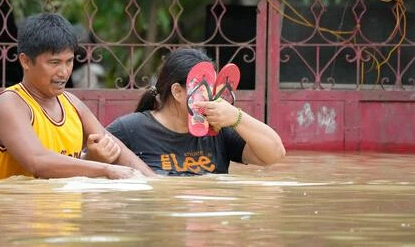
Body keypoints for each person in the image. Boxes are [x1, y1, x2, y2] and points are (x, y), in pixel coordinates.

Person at [0, 13, 156, 180]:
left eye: (69, 61)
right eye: (54, 62)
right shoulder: (9, 104)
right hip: (14, 207)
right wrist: (106, 169)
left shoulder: (73, 103)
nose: (64, 72)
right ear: (26, 61)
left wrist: (155, 182)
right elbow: (37, 162)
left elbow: (116, 148)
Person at [107, 48, 286, 176]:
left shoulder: (219, 130)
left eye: (213, 89)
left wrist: (236, 117)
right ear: (177, 91)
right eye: (203, 89)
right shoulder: (131, 128)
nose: (212, 97)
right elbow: (88, 163)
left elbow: (275, 154)